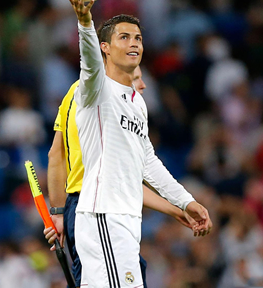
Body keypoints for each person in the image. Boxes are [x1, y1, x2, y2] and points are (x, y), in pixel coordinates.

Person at [48, 0, 212, 288]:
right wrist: (84, 20)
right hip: (102, 216)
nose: (134, 42)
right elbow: (89, 61)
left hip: (125, 218)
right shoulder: (93, 89)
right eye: (124, 37)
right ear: (105, 49)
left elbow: (147, 162)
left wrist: (186, 201)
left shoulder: (137, 104)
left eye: (137, 38)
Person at [44, 66, 199, 286]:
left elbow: (55, 155)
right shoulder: (105, 107)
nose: (143, 85)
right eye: (136, 78)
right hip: (98, 211)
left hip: (80, 211)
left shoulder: (76, 93)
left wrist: (59, 213)